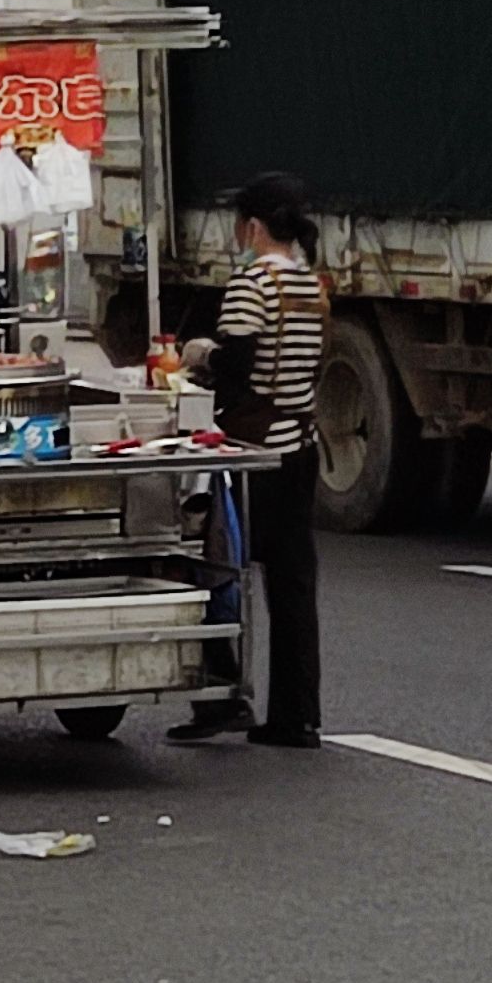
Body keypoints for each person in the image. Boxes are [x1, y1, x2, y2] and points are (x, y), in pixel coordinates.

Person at [171, 175, 329, 750]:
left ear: (253, 227)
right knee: (292, 586)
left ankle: (219, 694)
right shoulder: (312, 285)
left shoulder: (251, 284)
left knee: (212, 564)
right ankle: (298, 716)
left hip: (254, 455)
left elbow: (237, 364)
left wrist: (199, 354)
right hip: (301, 447)